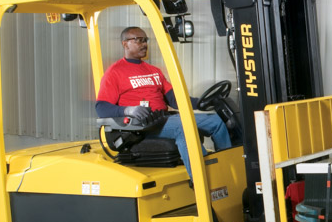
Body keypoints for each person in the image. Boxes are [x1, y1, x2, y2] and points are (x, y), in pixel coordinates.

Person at [96, 26, 232, 179]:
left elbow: (175, 100)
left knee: (216, 122)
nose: (144, 44)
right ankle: (203, 182)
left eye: (145, 40)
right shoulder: (114, 72)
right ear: (125, 44)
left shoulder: (154, 70)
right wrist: (128, 110)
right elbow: (101, 107)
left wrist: (204, 102)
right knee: (185, 129)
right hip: (144, 126)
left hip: (165, 119)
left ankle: (225, 172)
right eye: (139, 40)